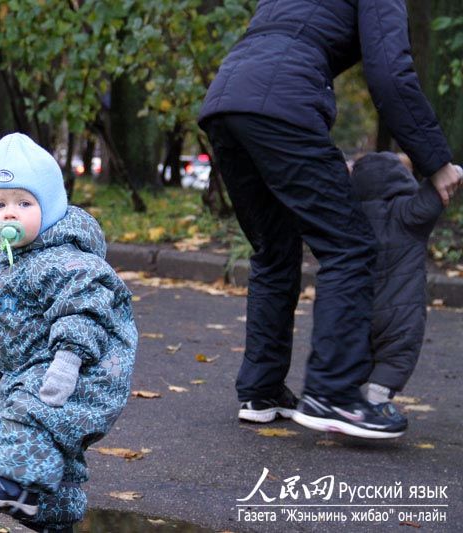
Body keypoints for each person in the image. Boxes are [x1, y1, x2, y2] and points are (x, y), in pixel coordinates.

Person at [197, 0, 460, 439]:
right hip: (282, 103)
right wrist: (437, 161)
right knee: (349, 245)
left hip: (226, 102)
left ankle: (261, 391)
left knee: (274, 249)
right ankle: (334, 394)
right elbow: (391, 75)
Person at [0, 132, 137, 532]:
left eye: (24, 203)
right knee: (57, 443)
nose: (9, 214)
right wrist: (3, 360)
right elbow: (21, 319)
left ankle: (13, 485)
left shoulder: (66, 262)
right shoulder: (13, 262)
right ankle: (52, 514)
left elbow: (84, 310)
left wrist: (69, 361)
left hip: (85, 366)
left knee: (29, 416)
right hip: (40, 362)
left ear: (50, 207)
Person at [350, 153, 461, 426]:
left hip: (356, 306)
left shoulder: (351, 214)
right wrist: (453, 169)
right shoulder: (410, 211)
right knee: (398, 353)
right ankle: (377, 400)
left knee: (353, 352)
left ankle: (346, 399)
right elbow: (435, 193)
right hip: (400, 310)